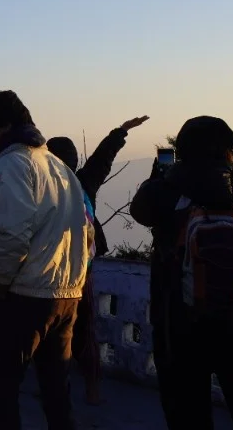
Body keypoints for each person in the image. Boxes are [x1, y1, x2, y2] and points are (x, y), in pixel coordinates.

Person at [130, 116, 233, 430]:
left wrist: (157, 177)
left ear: (181, 149)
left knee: (186, 409)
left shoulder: (164, 194)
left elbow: (140, 211)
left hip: (180, 320)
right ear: (229, 151)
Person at [0, 91, 91, 430]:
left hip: (27, 294)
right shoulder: (57, 164)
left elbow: (13, 235)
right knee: (56, 390)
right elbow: (84, 230)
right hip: (66, 293)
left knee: (3, 388)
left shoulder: (14, 162)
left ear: (5, 127)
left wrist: (1, 279)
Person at [47, 115, 149, 405]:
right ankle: (91, 388)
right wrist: (120, 132)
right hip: (84, 271)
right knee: (84, 329)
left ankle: (55, 386)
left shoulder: (44, 189)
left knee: (51, 332)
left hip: (50, 273)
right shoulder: (84, 182)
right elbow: (104, 157)